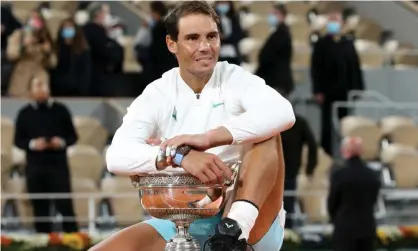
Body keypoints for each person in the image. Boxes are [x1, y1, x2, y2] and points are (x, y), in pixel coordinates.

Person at [90, 1, 295, 251]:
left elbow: (284, 112)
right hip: (187, 216)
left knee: (268, 132)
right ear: (171, 44)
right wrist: (179, 156)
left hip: (252, 218)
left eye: (212, 36)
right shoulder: (158, 92)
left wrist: (209, 139)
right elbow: (116, 156)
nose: (205, 47)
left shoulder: (234, 77)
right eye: (193, 38)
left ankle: (233, 229)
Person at [14, 77, 79, 233]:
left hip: (58, 166)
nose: (42, 89)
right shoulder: (24, 113)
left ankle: (76, 241)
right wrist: (33, 144)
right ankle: (43, 242)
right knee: (40, 208)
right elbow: (18, 141)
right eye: (37, 86)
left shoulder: (61, 110)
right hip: (35, 167)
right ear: (30, 91)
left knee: (65, 205)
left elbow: (73, 137)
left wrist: (60, 142)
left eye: (44, 85)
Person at [310, 9, 364, 156]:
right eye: (331, 19)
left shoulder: (348, 43)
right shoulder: (321, 44)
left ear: (341, 23)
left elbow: (355, 66)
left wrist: (358, 88)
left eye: (336, 20)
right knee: (327, 126)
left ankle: (345, 152)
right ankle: (327, 153)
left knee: (345, 124)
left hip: (345, 91)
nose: (334, 23)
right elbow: (315, 69)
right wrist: (317, 90)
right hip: (327, 92)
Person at [327, 137, 381, 251]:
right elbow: (374, 198)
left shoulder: (339, 175)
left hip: (345, 229)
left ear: (344, 151)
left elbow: (332, 202)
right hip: (367, 227)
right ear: (361, 151)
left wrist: (334, 218)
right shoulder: (372, 175)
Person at [281, 111, 317, 229]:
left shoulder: (298, 122)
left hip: (287, 171)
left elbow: (312, 145)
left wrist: (310, 168)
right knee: (286, 205)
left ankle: (287, 235)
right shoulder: (298, 121)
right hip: (282, 171)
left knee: (287, 205)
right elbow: (312, 145)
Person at [255, 4, 293, 96]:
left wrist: (257, 74)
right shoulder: (276, 33)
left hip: (277, 81)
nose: (271, 17)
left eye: (275, 14)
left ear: (283, 16)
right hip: (274, 81)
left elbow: (269, 56)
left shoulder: (282, 33)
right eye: (271, 14)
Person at [52, 18, 91, 96]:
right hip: (58, 90)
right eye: (65, 27)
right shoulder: (56, 48)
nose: (67, 30)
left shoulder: (82, 49)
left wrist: (83, 89)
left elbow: (86, 72)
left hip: (77, 91)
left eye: (69, 27)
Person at [214, 1, 245, 65]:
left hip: (234, 54)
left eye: (225, 3)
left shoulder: (234, 18)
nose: (223, 5)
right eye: (221, 3)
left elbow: (239, 35)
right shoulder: (212, 19)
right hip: (219, 54)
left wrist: (225, 38)